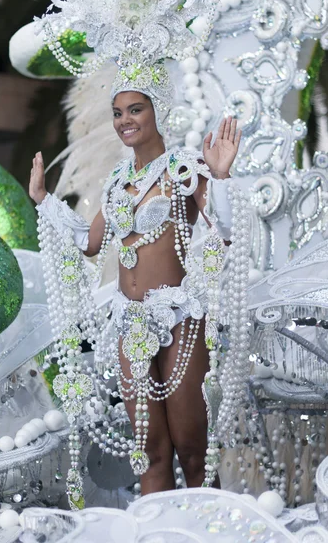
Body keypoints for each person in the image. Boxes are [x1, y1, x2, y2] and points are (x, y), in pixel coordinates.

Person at [29, 90, 241, 495]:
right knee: (150, 452)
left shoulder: (185, 167)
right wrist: (44, 201)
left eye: (135, 109)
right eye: (117, 113)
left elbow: (224, 232)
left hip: (179, 317)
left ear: (157, 111)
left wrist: (221, 176)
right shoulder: (116, 181)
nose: (125, 120)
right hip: (130, 323)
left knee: (194, 450)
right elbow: (89, 242)